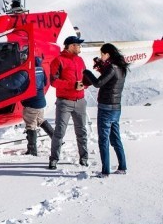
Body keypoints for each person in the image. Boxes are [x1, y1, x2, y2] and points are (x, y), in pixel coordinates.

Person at [83, 43, 129, 178]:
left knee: (104, 140)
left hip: (105, 108)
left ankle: (105, 172)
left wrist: (86, 72)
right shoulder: (120, 67)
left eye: (102, 54)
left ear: (108, 54)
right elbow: (109, 79)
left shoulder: (112, 68)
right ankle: (122, 167)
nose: (101, 56)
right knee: (115, 138)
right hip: (116, 108)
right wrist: (102, 67)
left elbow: (98, 83)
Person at [48, 36, 89, 170]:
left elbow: (85, 77)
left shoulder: (80, 60)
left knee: (82, 131)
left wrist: (86, 84)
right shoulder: (58, 60)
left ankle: (84, 158)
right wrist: (73, 85)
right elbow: (53, 81)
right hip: (64, 102)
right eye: (78, 45)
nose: (79, 47)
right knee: (59, 132)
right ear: (71, 46)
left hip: (80, 101)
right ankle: (53, 159)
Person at [21, 54, 54, 156]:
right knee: (41, 120)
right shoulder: (41, 69)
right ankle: (57, 139)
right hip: (40, 101)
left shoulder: (28, 71)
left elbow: (17, 83)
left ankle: (32, 150)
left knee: (31, 126)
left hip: (31, 103)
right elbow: (45, 83)